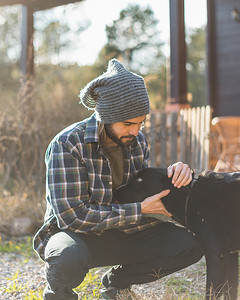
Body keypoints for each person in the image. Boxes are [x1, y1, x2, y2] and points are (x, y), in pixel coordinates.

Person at [33, 59, 203, 300]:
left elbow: (141, 190)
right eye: (128, 124)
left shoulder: (137, 142)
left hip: (121, 231)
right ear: (106, 116)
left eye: (141, 122)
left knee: (189, 246)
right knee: (67, 258)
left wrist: (176, 173)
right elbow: (71, 216)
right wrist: (139, 210)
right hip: (76, 235)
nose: (136, 131)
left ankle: (116, 285)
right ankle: (58, 292)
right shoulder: (68, 144)